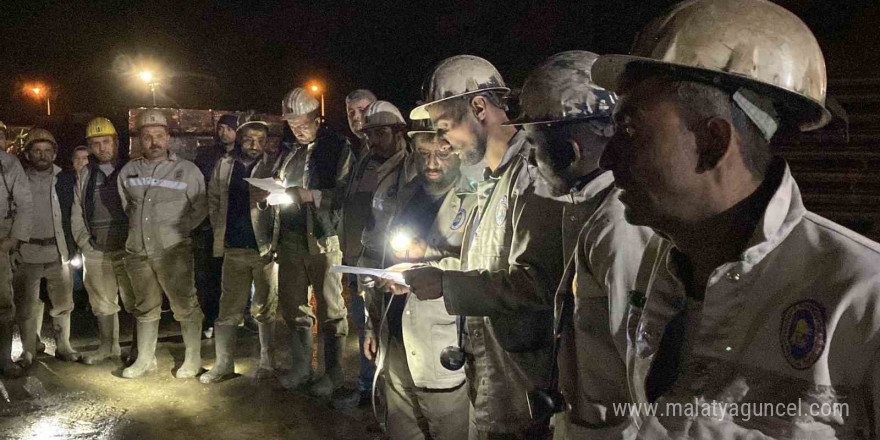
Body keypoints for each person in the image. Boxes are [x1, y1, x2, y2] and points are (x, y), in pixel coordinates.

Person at [591, 0, 879, 437]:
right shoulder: (658, 269)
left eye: (630, 131)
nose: (608, 156)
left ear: (711, 142)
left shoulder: (863, 296)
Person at [394, 55, 567, 439]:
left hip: (523, 388)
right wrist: (436, 268)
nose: (445, 143)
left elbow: (540, 285)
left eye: (445, 127)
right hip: (490, 379)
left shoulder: (532, 177)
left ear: (478, 107)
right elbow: (485, 265)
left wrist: (447, 285)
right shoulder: (489, 181)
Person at [505, 51, 653, 439]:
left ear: (568, 150)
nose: (532, 162)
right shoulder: (588, 212)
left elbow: (643, 372)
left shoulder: (620, 227)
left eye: (535, 144)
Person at [366, 120, 473, 440]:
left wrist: (427, 255)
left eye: (443, 153)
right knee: (402, 428)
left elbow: (483, 269)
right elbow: (384, 258)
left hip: (440, 344)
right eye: (424, 153)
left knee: (446, 427)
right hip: (395, 337)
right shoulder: (408, 194)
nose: (431, 163)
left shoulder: (474, 200)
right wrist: (373, 323)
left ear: (460, 153)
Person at [334, 100, 417, 409]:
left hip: (394, 264)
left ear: (399, 132)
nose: (372, 140)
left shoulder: (413, 166)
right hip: (365, 258)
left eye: (380, 133)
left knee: (395, 333)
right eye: (369, 134)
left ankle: (397, 399)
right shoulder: (365, 164)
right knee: (369, 327)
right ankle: (373, 391)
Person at [273, 88, 353, 397]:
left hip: (323, 239)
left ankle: (332, 374)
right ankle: (302, 369)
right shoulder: (289, 151)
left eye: (302, 121)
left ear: (316, 117)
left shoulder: (338, 147)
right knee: (294, 307)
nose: (296, 127)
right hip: (290, 239)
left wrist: (311, 196)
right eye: (291, 122)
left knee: (331, 310)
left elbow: (344, 193)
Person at [117, 109, 207, 379]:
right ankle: (145, 359)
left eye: (159, 136)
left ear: (168, 138)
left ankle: (193, 358)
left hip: (173, 251)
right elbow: (127, 207)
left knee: (185, 305)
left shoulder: (187, 170)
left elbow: (201, 206)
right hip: (138, 251)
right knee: (145, 306)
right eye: (147, 137)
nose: (153, 142)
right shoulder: (129, 171)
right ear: (139, 140)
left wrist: (179, 231)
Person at [201, 117, 278, 383]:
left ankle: (267, 363)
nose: (254, 145)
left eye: (260, 140)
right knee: (228, 309)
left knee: (266, 307)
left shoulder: (273, 166)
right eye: (249, 139)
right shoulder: (225, 165)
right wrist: (219, 231)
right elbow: (213, 199)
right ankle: (223, 364)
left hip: (264, 249)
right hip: (233, 247)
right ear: (239, 139)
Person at [13, 128, 81, 367]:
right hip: (27, 252)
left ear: (54, 154)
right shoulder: (18, 179)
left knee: (63, 302)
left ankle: (64, 346)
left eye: (47, 151)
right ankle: (29, 351)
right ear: (28, 154)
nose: (42, 155)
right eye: (37, 151)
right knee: (26, 305)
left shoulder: (65, 178)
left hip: (58, 251)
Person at [72, 117, 137, 366]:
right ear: (89, 147)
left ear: (116, 143)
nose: (102, 148)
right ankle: (107, 347)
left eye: (106, 142)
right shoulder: (86, 174)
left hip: (128, 248)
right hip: (97, 249)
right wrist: (85, 242)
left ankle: (137, 349)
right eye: (96, 143)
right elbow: (77, 210)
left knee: (136, 302)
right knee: (101, 302)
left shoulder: (131, 169)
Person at [341, 88, 379, 404]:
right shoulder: (361, 154)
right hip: (356, 259)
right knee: (363, 325)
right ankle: (368, 389)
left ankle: (373, 393)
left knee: (374, 327)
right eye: (351, 113)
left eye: (363, 110)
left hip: (373, 260)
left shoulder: (386, 155)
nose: (357, 117)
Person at [193, 113, 239, 339]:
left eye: (229, 128)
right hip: (210, 225)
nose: (224, 132)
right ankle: (210, 319)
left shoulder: (244, 156)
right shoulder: (208, 156)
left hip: (237, 225)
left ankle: (241, 317)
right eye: (221, 128)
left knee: (235, 276)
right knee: (210, 276)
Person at [0, 120, 32, 377]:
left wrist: (12, 241)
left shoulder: (9, 164)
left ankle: (4, 359)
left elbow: (24, 203)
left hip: (1, 243)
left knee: (3, 304)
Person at [345, 89, 378, 161]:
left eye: (362, 110)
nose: (355, 117)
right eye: (351, 112)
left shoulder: (386, 149)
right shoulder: (345, 149)